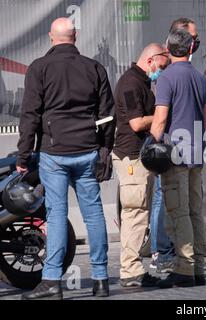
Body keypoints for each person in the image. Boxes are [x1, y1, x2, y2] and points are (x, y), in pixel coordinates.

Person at [17, 18, 115, 299]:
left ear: (51, 37)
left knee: (56, 215)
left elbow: (30, 116)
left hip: (54, 153)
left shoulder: (39, 68)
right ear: (76, 36)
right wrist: (103, 150)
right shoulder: (94, 68)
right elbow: (108, 115)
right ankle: (100, 279)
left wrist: (24, 156)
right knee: (94, 214)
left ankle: (51, 282)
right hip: (87, 151)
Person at [150, 28, 206, 288]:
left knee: (179, 214)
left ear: (168, 48)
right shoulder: (202, 79)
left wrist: (153, 140)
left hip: (175, 155)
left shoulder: (166, 79)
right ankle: (198, 267)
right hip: (197, 154)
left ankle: (184, 268)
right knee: (196, 212)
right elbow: (205, 123)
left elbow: (160, 120)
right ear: (190, 49)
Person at [113, 43, 170, 287]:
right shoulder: (130, 83)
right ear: (150, 60)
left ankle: (133, 269)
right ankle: (131, 271)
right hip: (131, 157)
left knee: (140, 213)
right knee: (135, 214)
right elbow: (136, 123)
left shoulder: (142, 81)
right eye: (161, 67)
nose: (162, 73)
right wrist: (161, 116)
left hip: (139, 157)